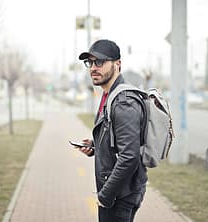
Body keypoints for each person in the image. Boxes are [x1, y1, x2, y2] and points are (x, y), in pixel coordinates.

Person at [76, 39, 148, 222]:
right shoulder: (109, 95)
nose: (93, 67)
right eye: (90, 63)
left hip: (119, 195)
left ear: (117, 64)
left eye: (99, 62)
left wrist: (105, 195)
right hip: (118, 190)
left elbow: (129, 156)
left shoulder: (123, 102)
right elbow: (118, 141)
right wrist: (95, 147)